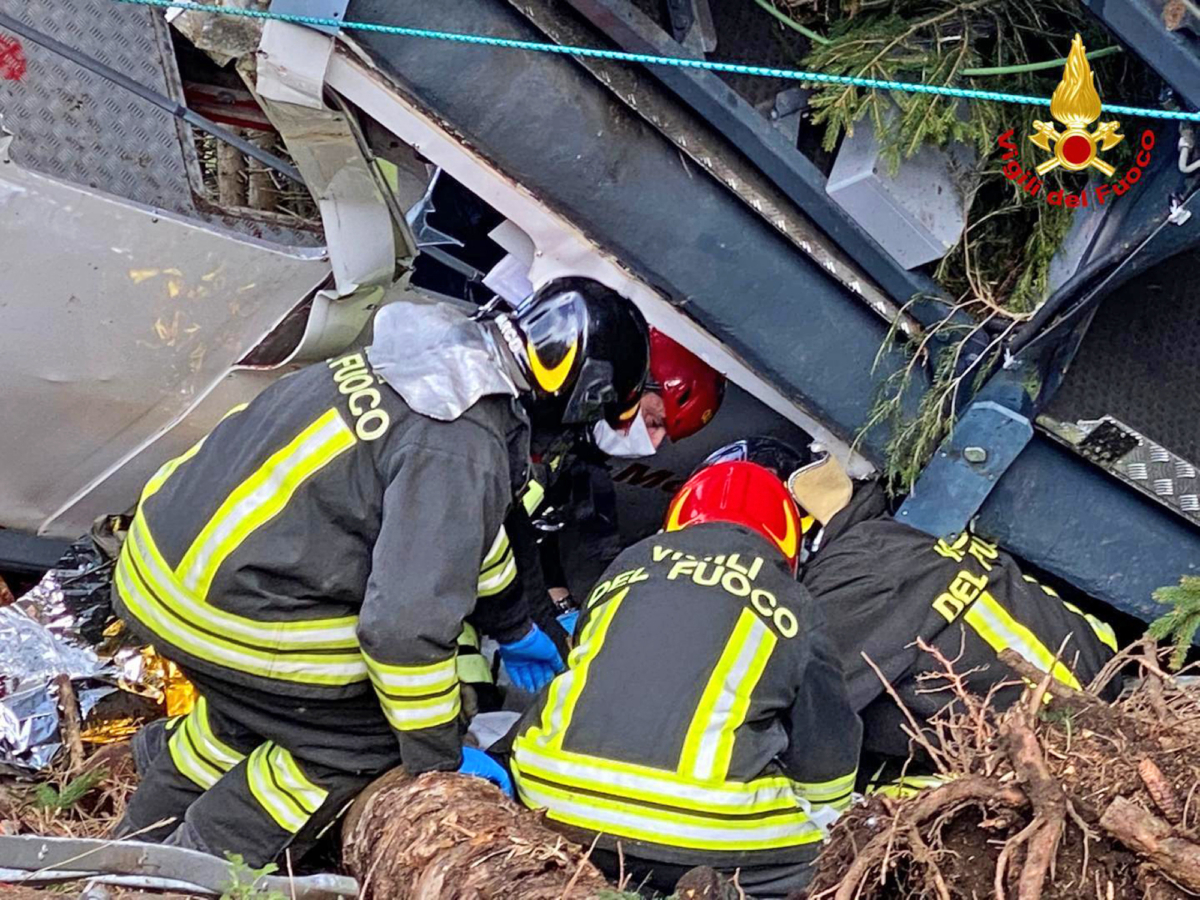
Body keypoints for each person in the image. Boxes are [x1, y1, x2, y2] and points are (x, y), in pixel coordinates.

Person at [111, 277, 651, 867]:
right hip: (229, 609)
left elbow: (469, 535)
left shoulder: (425, 365)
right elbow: (401, 632)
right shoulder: (461, 441)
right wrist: (437, 755)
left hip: (161, 571)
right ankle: (187, 873)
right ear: (582, 394)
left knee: (252, 714)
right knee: (357, 740)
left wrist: (515, 625)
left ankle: (123, 855)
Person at [507, 459, 862, 898]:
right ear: (786, 541)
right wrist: (829, 820)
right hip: (697, 829)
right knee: (838, 857)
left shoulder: (627, 565)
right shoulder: (793, 602)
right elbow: (826, 749)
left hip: (551, 794)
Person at [702, 436, 1120, 766]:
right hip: (1096, 687)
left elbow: (772, 722)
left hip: (1066, 740)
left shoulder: (855, 582)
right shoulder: (883, 538)